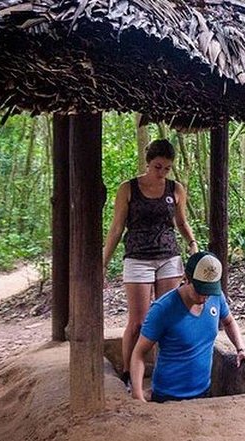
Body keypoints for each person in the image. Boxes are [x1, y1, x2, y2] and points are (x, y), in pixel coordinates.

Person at [103, 138, 198, 391]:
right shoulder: (128, 189)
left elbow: (181, 222)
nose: (162, 173)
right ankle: (127, 372)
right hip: (137, 258)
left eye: (167, 168)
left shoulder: (175, 189)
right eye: (158, 167)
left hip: (168, 257)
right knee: (138, 322)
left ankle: (163, 373)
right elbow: (116, 228)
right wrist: (103, 262)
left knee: (166, 318)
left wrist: (192, 243)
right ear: (147, 163)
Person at [130, 251, 245, 402]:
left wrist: (241, 348)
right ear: (186, 278)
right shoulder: (162, 309)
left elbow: (229, 321)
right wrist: (137, 393)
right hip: (168, 396)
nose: (205, 297)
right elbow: (139, 353)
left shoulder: (216, 297)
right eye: (200, 290)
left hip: (203, 392)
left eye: (209, 291)